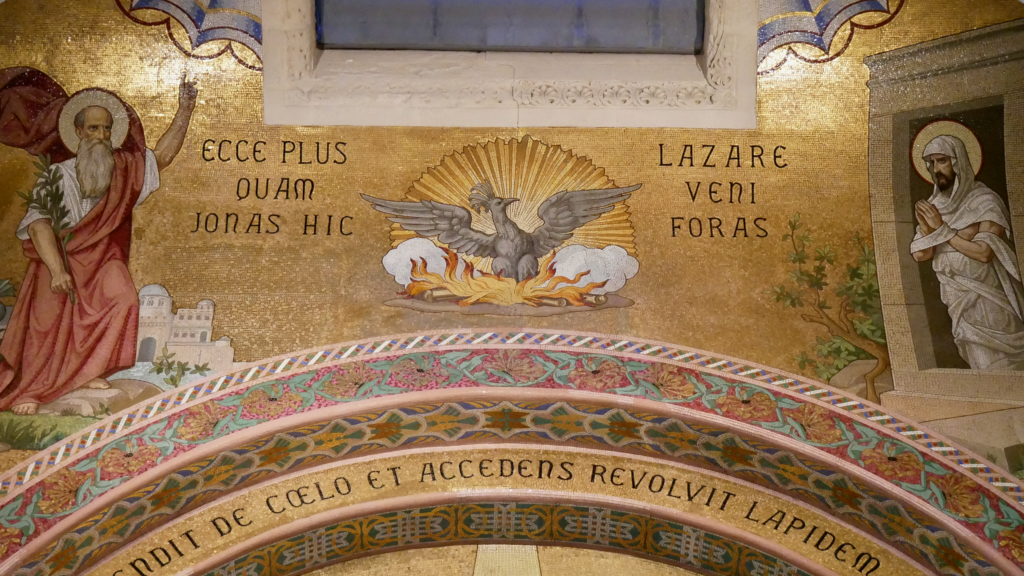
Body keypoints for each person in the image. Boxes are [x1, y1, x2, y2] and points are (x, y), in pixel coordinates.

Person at [0, 69, 197, 414]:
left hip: (102, 260)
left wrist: (185, 110)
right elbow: (38, 225)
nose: (101, 136)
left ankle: (88, 372)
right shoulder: (57, 174)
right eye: (93, 129)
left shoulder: (121, 170)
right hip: (56, 260)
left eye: (106, 129)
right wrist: (57, 269)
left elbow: (161, 158)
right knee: (46, 321)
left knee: (124, 299)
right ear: (78, 133)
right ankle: (31, 389)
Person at [911, 134, 1024, 370]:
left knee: (1000, 369)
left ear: (959, 161)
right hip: (959, 305)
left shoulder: (984, 201)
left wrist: (941, 230)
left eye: (942, 160)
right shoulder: (935, 205)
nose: (936, 169)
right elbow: (921, 255)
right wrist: (927, 229)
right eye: (931, 162)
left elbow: (984, 253)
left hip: (989, 302)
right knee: (982, 370)